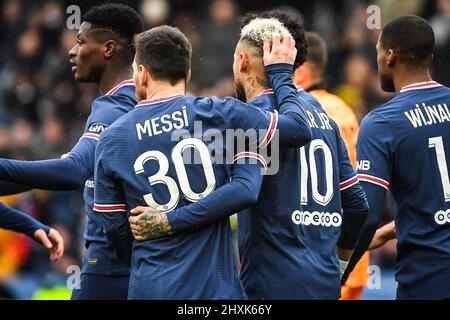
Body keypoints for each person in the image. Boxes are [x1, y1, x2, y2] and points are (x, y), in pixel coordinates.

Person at [128, 14, 369, 300]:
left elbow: (244, 190)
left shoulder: (255, 117)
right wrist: (339, 267)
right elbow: (357, 207)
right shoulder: (324, 118)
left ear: (242, 61)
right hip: (324, 285)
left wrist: (171, 220)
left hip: (270, 285)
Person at [93, 24, 313, 299]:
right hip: (214, 289)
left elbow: (114, 229)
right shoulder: (222, 113)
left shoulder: (111, 140)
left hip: (151, 286)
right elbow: (298, 130)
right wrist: (281, 74)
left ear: (141, 73)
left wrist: (147, 252)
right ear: (187, 74)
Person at [0, 4, 144, 299]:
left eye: (80, 42)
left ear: (108, 49)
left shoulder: (114, 106)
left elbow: (74, 172)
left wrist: (70, 164)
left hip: (109, 268)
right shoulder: (141, 101)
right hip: (136, 265)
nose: (71, 51)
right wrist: (27, 224)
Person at [343, 15, 450, 300]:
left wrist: (340, 269)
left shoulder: (382, 122)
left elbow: (366, 216)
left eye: (378, 53)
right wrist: (393, 229)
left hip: (427, 279)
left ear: (389, 56)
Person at [294, 30, 370, 300]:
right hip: (353, 251)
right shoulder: (343, 108)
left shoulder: (304, 112)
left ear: (300, 70)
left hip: (322, 248)